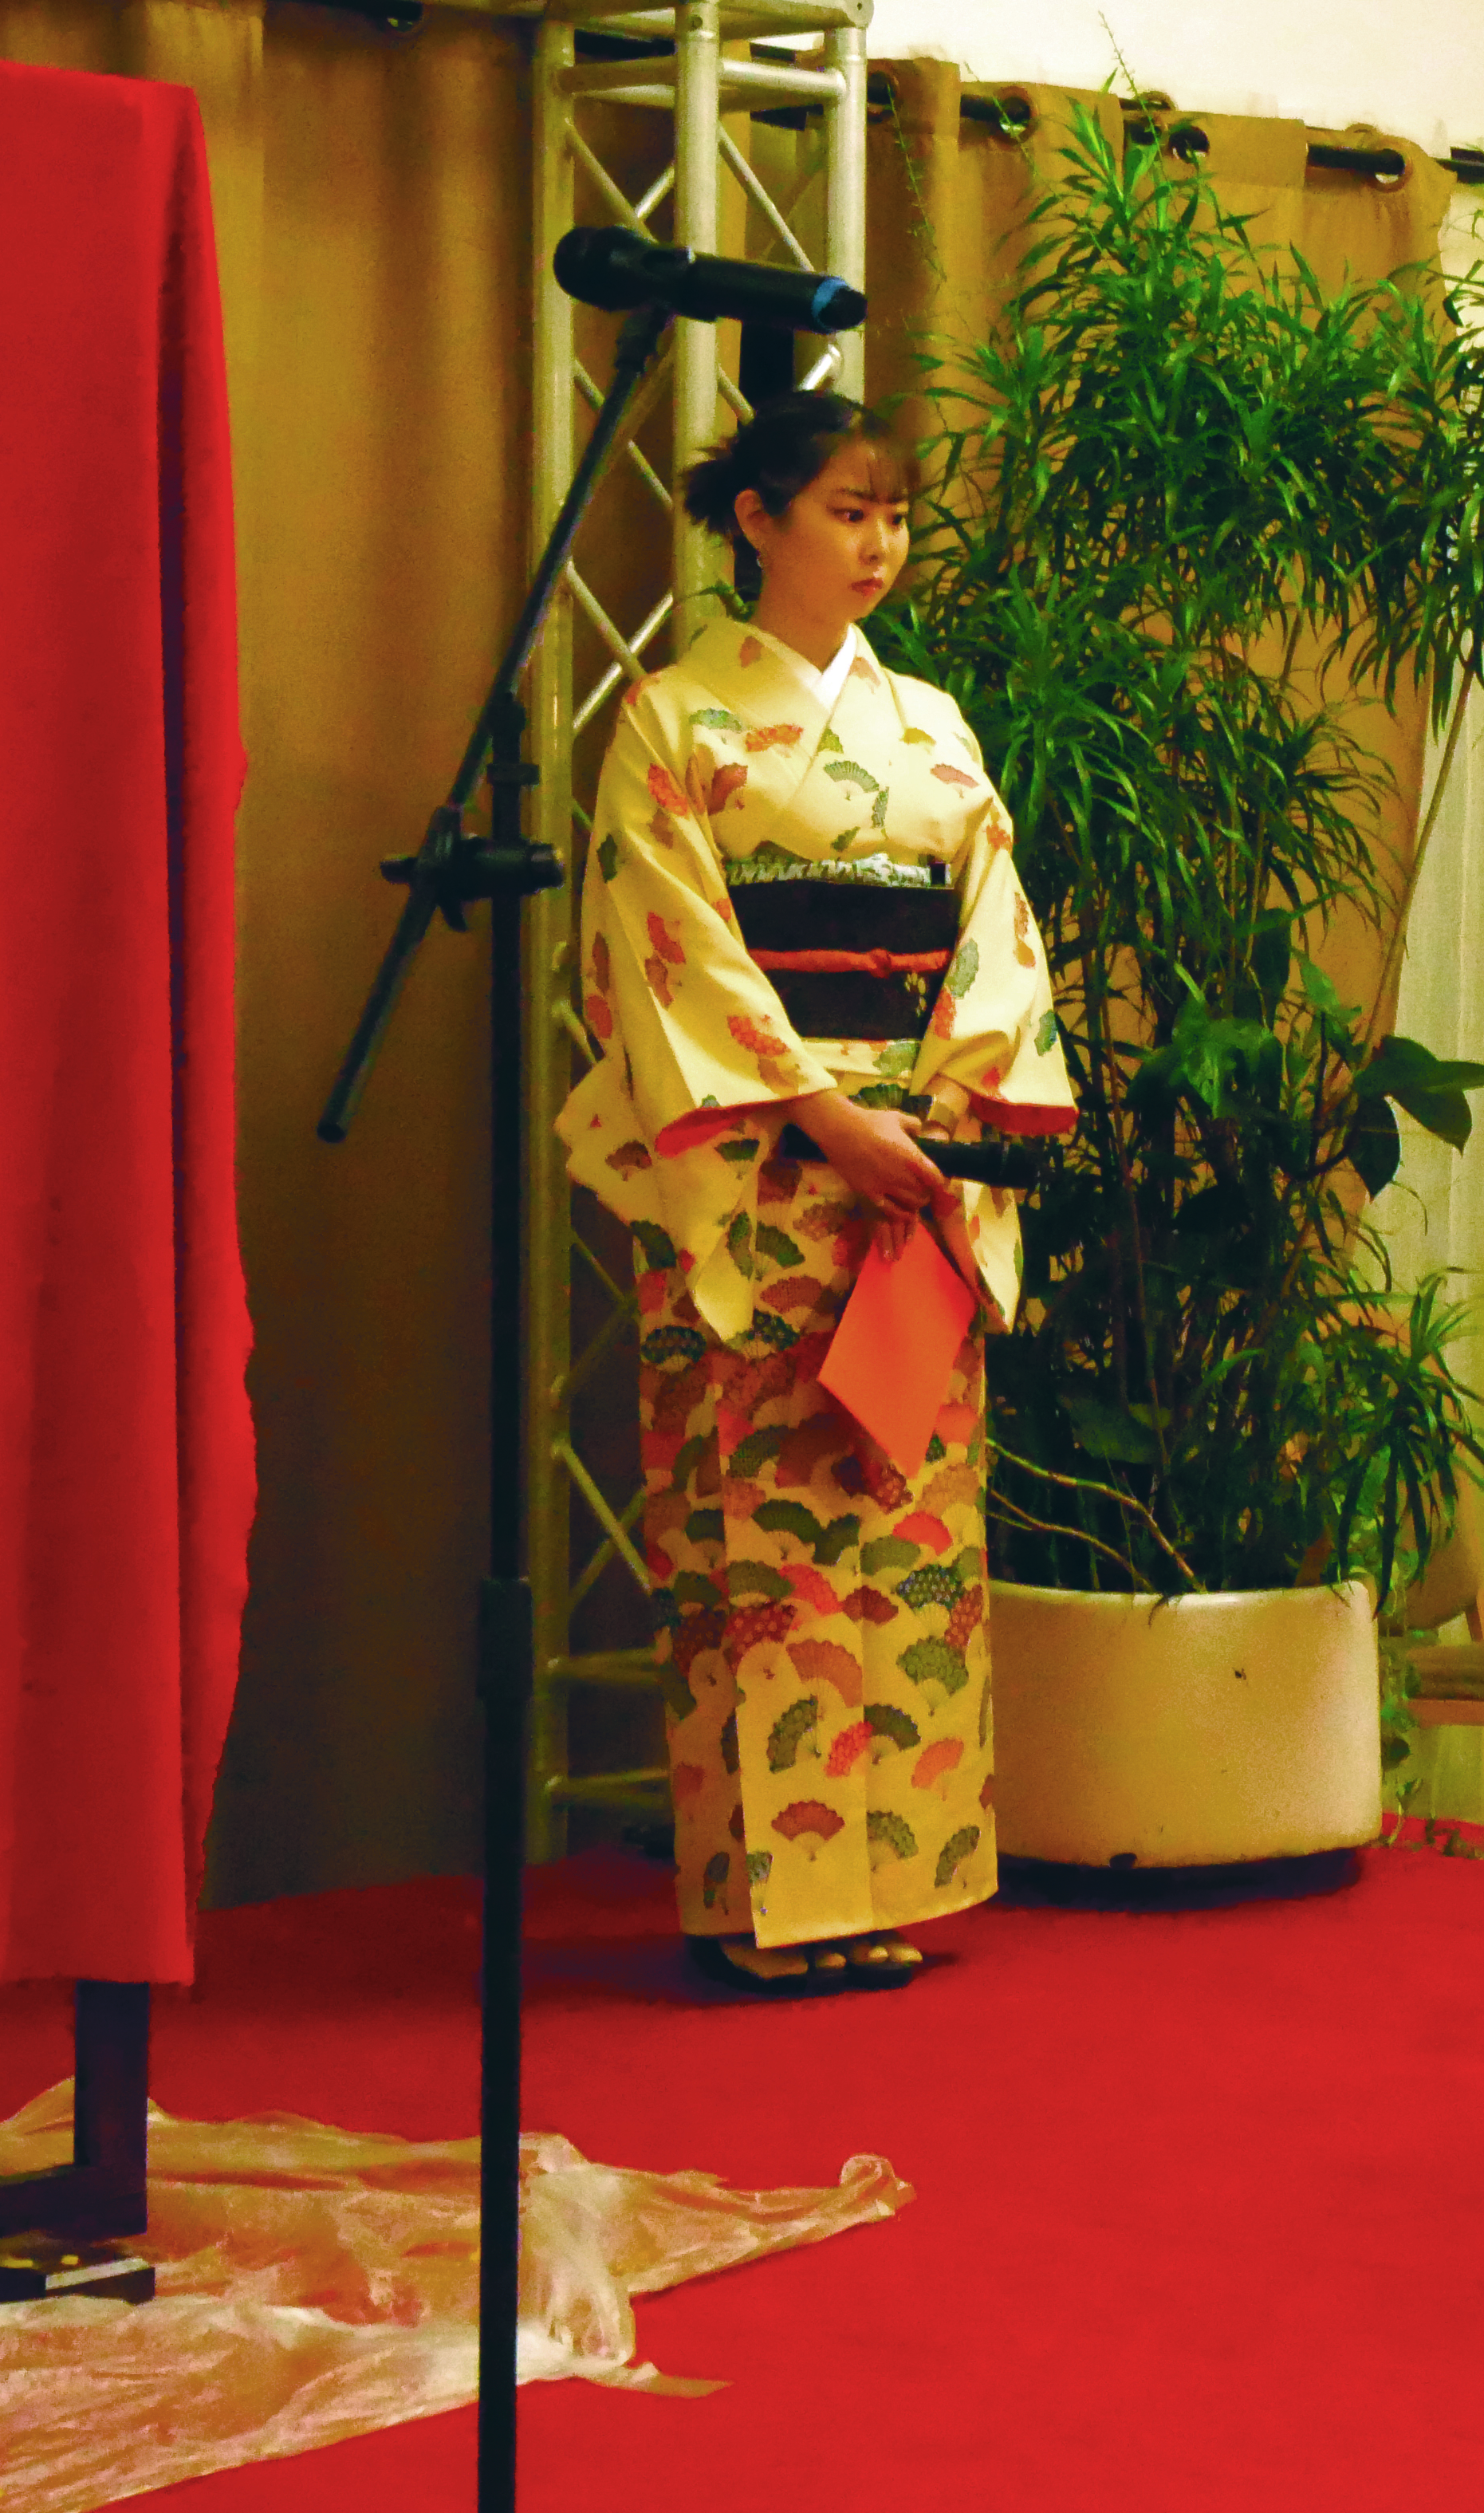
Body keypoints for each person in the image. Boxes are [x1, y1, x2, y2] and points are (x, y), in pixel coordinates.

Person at [557, 392, 1074, 1997]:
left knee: (902, 1522)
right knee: (759, 1526)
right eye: (845, 510)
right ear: (756, 521)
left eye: (895, 514)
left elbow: (995, 938)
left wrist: (940, 1126)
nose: (877, 542)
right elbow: (660, 947)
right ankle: (762, 1900)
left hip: (918, 1168)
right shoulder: (674, 717)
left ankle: (887, 1878)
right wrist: (817, 1111)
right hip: (765, 1170)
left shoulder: (933, 727)